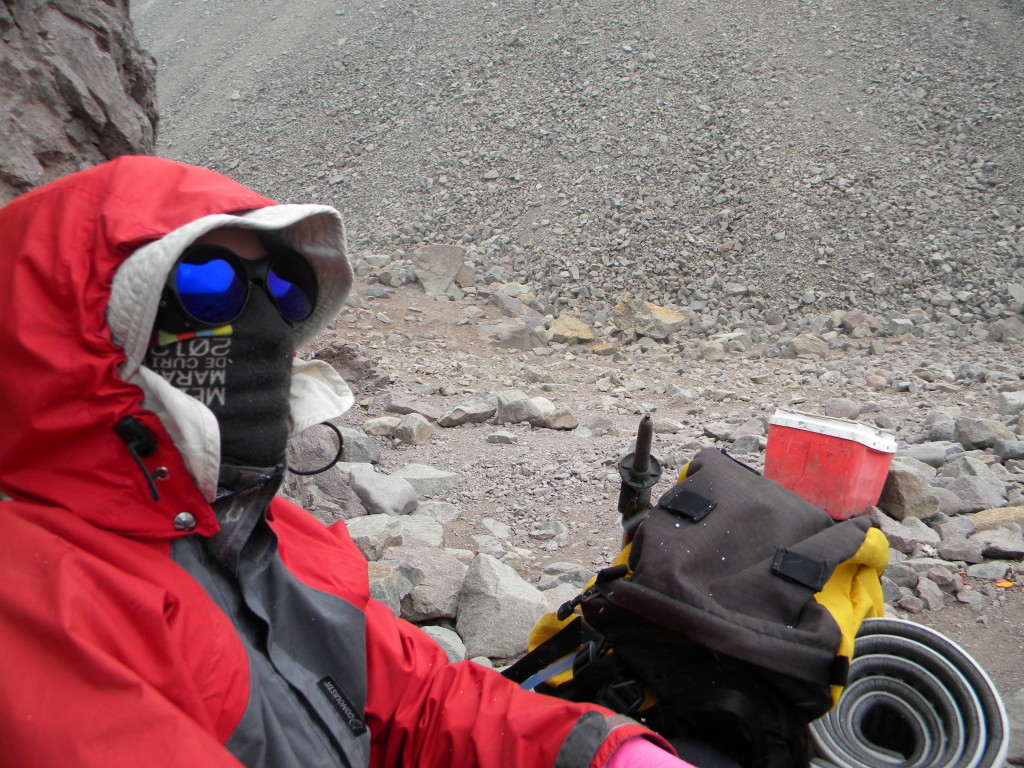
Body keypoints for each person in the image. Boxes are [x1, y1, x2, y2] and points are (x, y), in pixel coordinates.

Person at [0, 156, 698, 767]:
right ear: (81, 332)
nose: (265, 321)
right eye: (207, 282)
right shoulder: (32, 609)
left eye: (285, 290)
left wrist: (601, 751)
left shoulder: (262, 533)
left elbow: (421, 699)